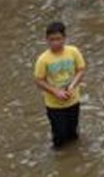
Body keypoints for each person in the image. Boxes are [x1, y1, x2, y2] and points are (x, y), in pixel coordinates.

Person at [33, 21, 86, 149]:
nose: (55, 43)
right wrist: (55, 91)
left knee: (73, 133)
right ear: (46, 40)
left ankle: (74, 157)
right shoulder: (43, 59)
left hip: (73, 100)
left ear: (64, 38)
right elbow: (38, 80)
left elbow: (81, 69)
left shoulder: (73, 52)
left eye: (58, 39)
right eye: (52, 40)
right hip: (54, 104)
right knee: (59, 136)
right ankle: (60, 158)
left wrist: (72, 86)